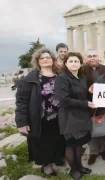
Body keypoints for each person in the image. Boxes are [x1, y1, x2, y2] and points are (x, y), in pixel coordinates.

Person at [15, 48, 65, 176]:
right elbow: (21, 101)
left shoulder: (60, 75)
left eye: (48, 57)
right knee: (42, 143)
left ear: (53, 60)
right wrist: (21, 122)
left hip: (59, 117)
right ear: (37, 61)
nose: (45, 59)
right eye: (42, 58)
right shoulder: (30, 79)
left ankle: (56, 159)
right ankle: (46, 165)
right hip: (40, 118)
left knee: (58, 140)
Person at [55, 52, 94, 179]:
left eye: (76, 61)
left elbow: (82, 95)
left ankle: (80, 166)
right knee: (71, 145)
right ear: (65, 63)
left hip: (81, 116)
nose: (74, 63)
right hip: (69, 117)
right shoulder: (62, 78)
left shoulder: (81, 77)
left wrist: (90, 92)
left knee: (79, 143)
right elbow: (63, 100)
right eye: (71, 61)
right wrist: (86, 103)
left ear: (80, 63)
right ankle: (74, 170)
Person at [82, 49, 105, 165]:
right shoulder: (81, 70)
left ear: (99, 57)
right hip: (88, 104)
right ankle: (93, 152)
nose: (92, 58)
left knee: (102, 127)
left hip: (103, 104)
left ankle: (103, 150)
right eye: (90, 56)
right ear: (87, 59)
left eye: (94, 56)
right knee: (91, 129)